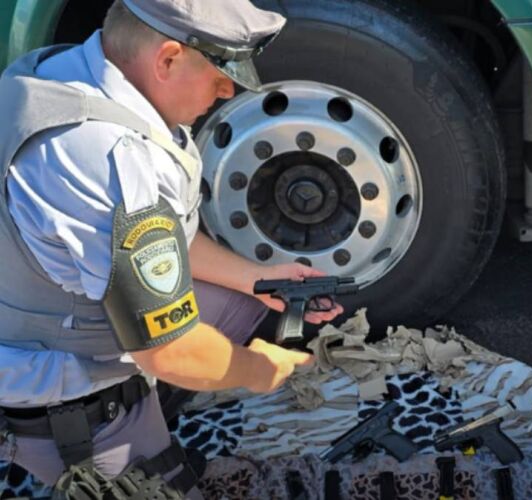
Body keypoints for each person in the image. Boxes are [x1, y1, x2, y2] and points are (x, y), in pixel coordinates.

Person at [0, 0, 342, 496]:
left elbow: (166, 241)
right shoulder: (108, 158)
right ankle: (83, 446)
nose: (229, 90)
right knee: (163, 485)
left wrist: (261, 281)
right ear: (167, 59)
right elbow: (170, 351)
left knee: (241, 305)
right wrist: (262, 370)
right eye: (222, 70)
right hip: (50, 390)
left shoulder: (58, 74)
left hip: (39, 305)